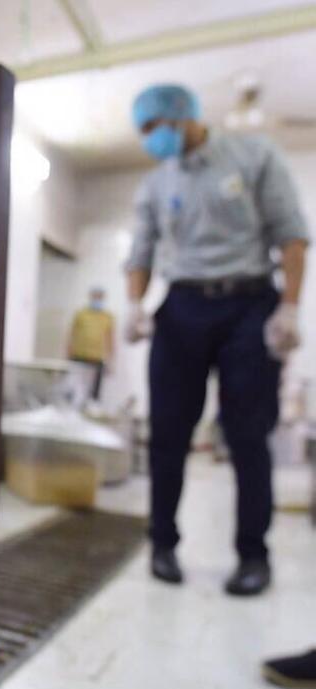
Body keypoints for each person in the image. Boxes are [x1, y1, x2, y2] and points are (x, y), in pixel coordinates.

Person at [123, 83, 307, 596]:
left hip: (249, 303)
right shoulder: (156, 183)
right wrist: (135, 304)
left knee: (248, 434)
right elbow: (140, 253)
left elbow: (291, 236)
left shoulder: (254, 156)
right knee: (167, 433)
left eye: (153, 126)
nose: (149, 138)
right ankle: (162, 544)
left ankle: (253, 555)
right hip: (181, 306)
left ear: (183, 115)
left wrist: (290, 307)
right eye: (142, 130)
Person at [67, 287, 115, 400]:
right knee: (76, 389)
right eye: (95, 296)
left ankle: (91, 406)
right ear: (90, 296)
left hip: (97, 359)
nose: (97, 299)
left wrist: (110, 361)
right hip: (79, 357)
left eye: (99, 297)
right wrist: (67, 353)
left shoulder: (107, 316)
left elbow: (110, 340)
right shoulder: (80, 314)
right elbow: (71, 334)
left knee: (94, 392)